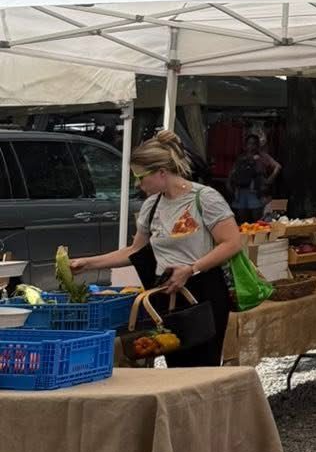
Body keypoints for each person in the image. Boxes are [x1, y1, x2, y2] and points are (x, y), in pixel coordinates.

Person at [71, 129, 243, 367]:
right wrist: (87, 263)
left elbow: (232, 243)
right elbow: (134, 251)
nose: (138, 184)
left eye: (141, 177)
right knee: (176, 366)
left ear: (162, 172)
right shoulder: (151, 206)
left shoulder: (204, 198)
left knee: (203, 368)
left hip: (203, 291)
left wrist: (191, 269)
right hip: (167, 293)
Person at [228, 129, 280, 217]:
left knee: (257, 217)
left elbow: (277, 167)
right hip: (241, 192)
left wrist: (269, 180)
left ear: (258, 145)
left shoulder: (263, 156)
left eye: (254, 144)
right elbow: (233, 172)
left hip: (256, 192)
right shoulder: (241, 158)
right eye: (249, 143)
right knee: (242, 218)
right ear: (246, 145)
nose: (251, 146)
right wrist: (229, 184)